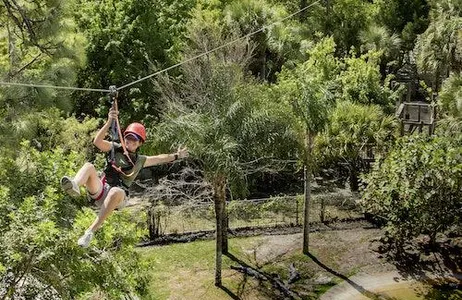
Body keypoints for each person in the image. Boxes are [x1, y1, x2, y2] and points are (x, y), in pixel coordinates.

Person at [60, 107, 188, 247]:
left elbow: (159, 158)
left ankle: (90, 232)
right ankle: (75, 185)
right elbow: (97, 142)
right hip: (102, 189)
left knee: (115, 191)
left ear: (140, 143)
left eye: (134, 140)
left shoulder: (140, 160)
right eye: (128, 138)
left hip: (118, 197)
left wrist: (177, 155)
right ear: (124, 137)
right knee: (89, 166)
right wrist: (109, 122)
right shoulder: (115, 148)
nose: (130, 142)